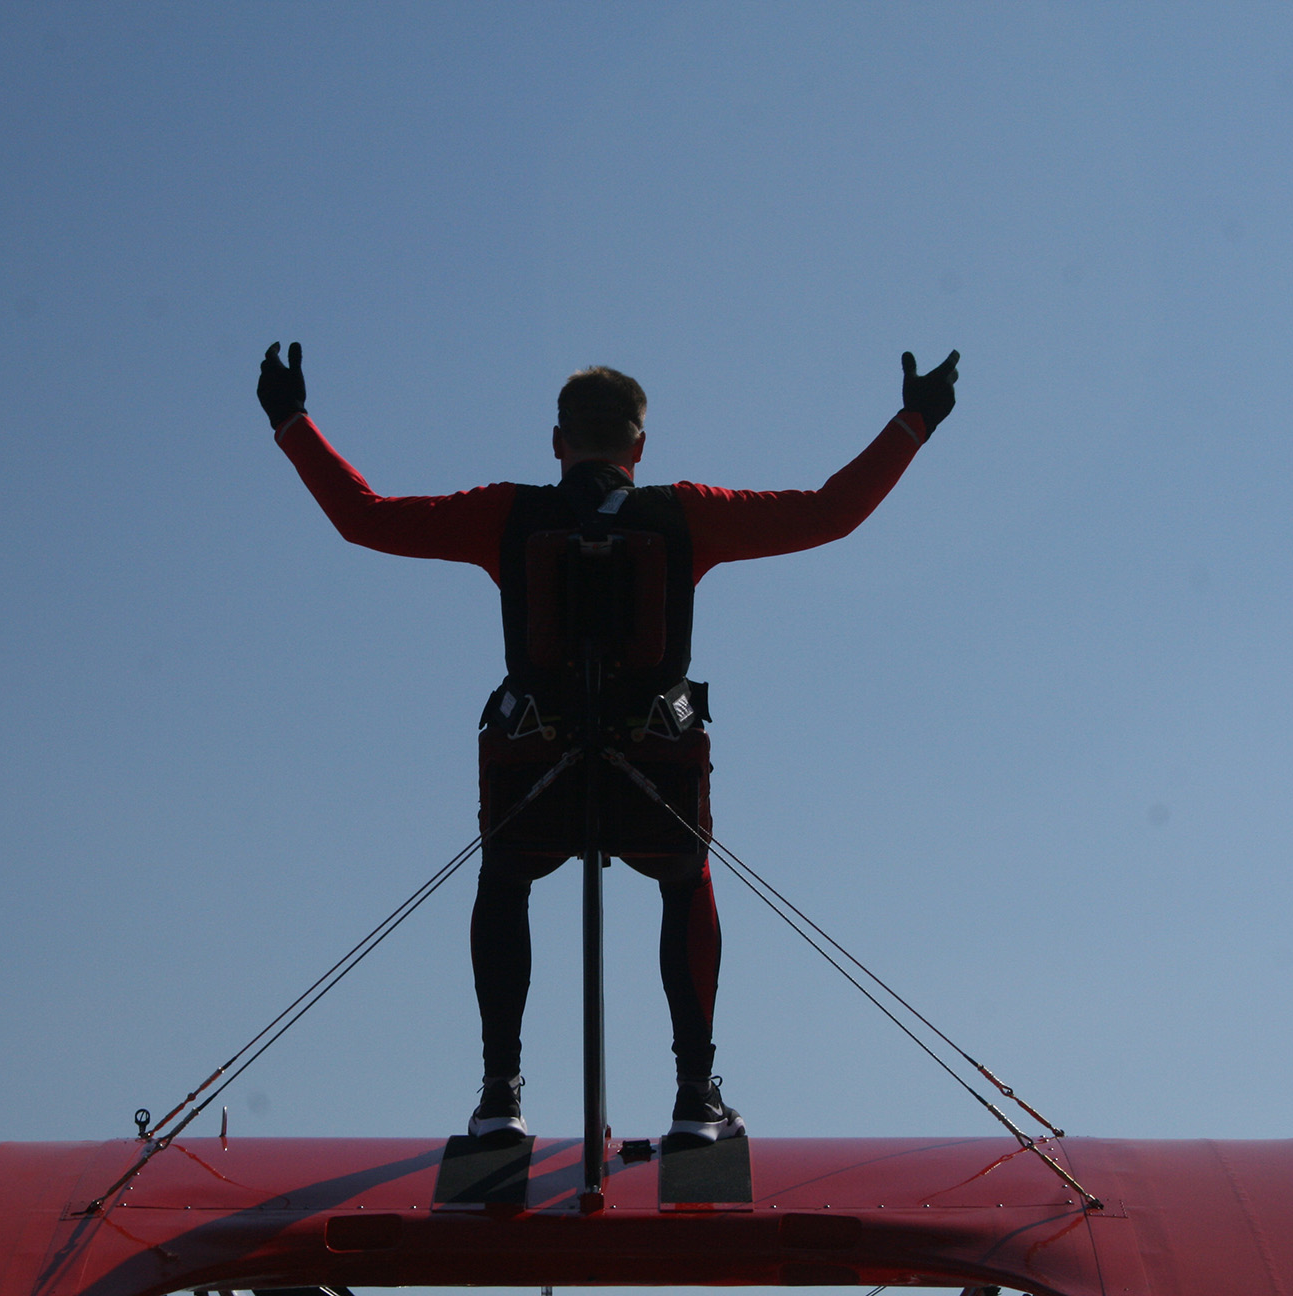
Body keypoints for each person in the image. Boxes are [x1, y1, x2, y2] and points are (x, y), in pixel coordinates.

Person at [257, 343, 957, 1147]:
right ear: (640, 447)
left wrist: (291, 419)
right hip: (652, 774)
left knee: (504, 879)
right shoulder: (689, 511)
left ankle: (499, 1094)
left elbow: (364, 518)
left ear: (558, 443)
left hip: (535, 773)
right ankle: (695, 1095)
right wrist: (915, 420)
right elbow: (831, 511)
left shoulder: (505, 513)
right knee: (686, 880)